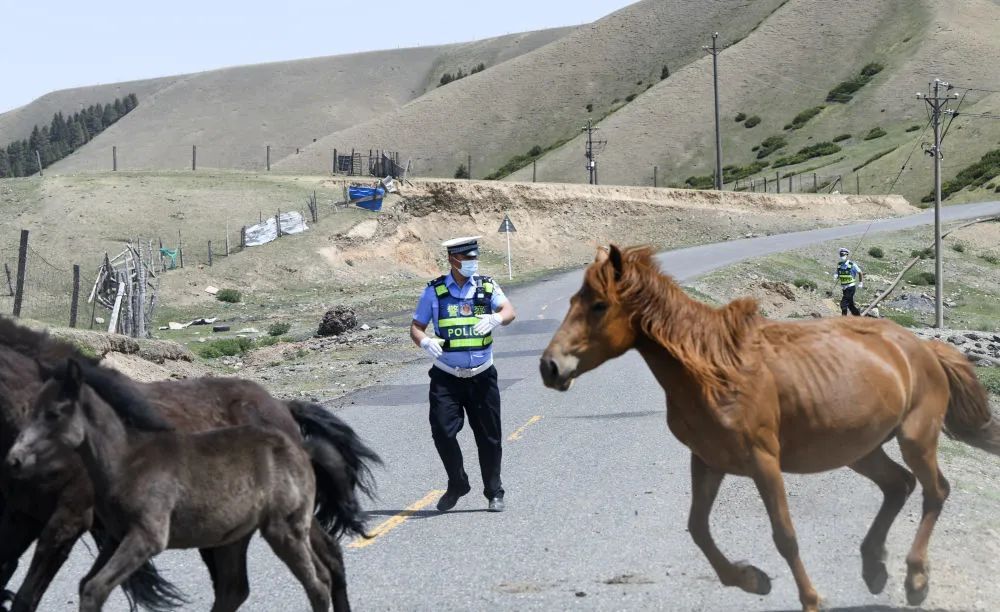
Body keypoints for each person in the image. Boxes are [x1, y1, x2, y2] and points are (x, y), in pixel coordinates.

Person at [410, 236, 517, 512]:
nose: (473, 263)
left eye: (474, 258)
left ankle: (494, 491)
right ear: (453, 260)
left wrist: (497, 318)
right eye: (468, 258)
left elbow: (509, 310)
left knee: (489, 437)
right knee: (442, 432)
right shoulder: (434, 292)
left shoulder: (485, 288)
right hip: (446, 376)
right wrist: (424, 341)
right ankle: (457, 483)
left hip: (482, 376)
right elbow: (416, 326)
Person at [834, 247, 864, 316]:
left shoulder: (852, 264)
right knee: (850, 305)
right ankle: (858, 317)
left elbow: (860, 272)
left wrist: (860, 283)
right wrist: (835, 275)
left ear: (847, 255)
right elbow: (838, 272)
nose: (842, 256)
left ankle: (843, 320)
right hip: (844, 288)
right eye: (841, 255)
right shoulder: (839, 265)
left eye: (844, 255)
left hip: (850, 287)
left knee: (843, 304)